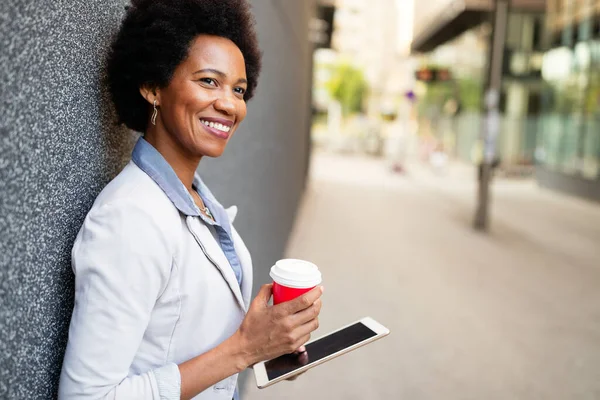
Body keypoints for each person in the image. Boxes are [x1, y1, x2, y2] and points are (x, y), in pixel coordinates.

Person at [58, 1, 323, 399]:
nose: (230, 104)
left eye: (238, 89)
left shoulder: (199, 201)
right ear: (152, 87)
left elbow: (190, 345)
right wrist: (245, 348)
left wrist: (270, 346)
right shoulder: (130, 218)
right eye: (208, 81)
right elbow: (87, 396)